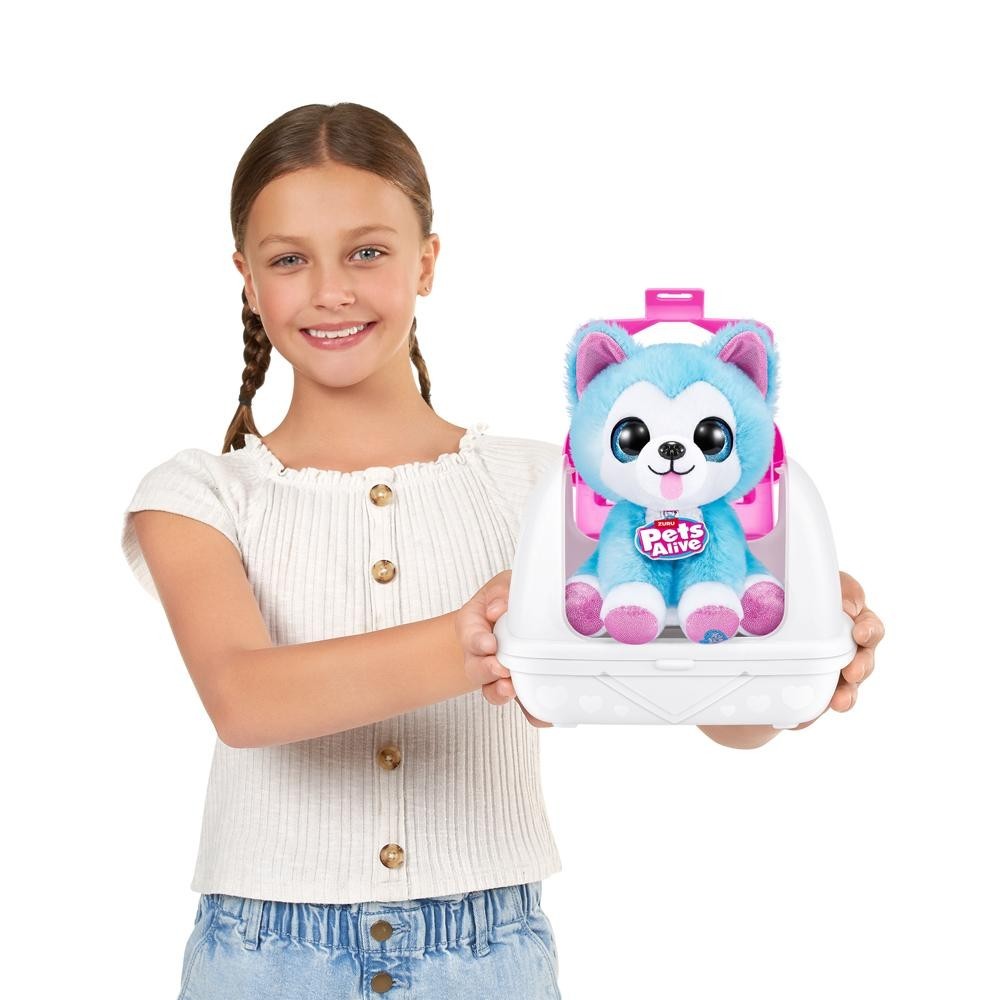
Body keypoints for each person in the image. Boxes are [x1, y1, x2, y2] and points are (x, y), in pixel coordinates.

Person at [121, 102, 884, 1000]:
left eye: (367, 252)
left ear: (426, 261)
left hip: (487, 958)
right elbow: (244, 700)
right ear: (247, 280)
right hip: (260, 960)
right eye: (290, 259)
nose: (331, 290)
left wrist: (790, 652)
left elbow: (705, 703)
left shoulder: (553, 486)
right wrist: (479, 636)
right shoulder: (200, 494)